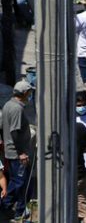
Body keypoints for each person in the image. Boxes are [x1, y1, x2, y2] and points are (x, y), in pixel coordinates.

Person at [1, 80, 34, 218]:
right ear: (25, 93)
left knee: (20, 181)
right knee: (19, 182)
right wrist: (21, 153)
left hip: (12, 151)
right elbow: (14, 132)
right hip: (16, 154)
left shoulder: (8, 104)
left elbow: (2, 126)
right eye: (29, 92)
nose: (30, 94)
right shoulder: (16, 109)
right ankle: (9, 207)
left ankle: (13, 208)